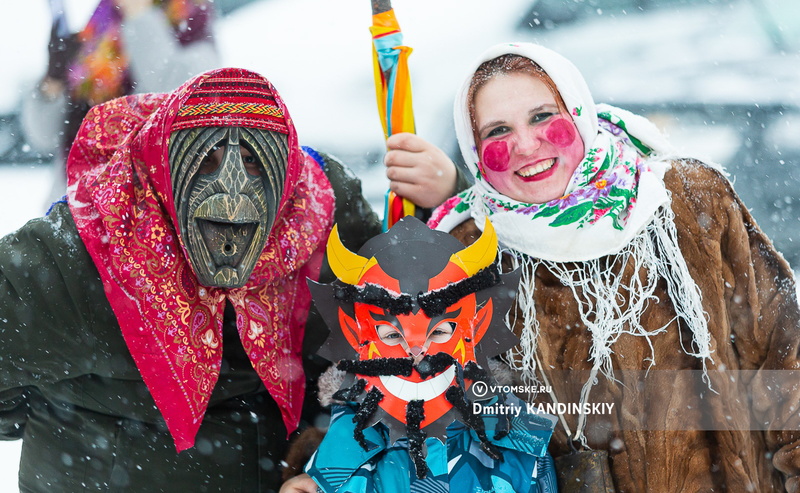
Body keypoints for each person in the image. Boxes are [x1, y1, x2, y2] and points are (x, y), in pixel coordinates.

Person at [388, 42, 800, 492]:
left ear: (580, 113)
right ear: (474, 151)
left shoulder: (687, 199)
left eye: (543, 116)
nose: (526, 145)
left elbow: (784, 360)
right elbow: (418, 410)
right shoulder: (468, 256)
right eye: (497, 131)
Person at [0, 67, 381, 491]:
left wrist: (327, 451)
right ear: (163, 166)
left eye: (254, 161)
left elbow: (406, 336)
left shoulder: (323, 223)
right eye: (205, 160)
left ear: (286, 171)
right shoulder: (89, 247)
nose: (231, 192)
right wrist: (83, 426)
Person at [282, 216, 558, 493]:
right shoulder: (330, 472)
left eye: (438, 333)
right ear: (356, 336)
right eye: (392, 335)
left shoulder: (524, 446)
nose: (416, 354)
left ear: (477, 327)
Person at [21, 0, 220, 208]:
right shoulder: (102, 24)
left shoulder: (192, 16)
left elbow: (174, 92)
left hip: (141, 214)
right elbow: (43, 137)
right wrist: (53, 80)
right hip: (74, 207)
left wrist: (138, 13)